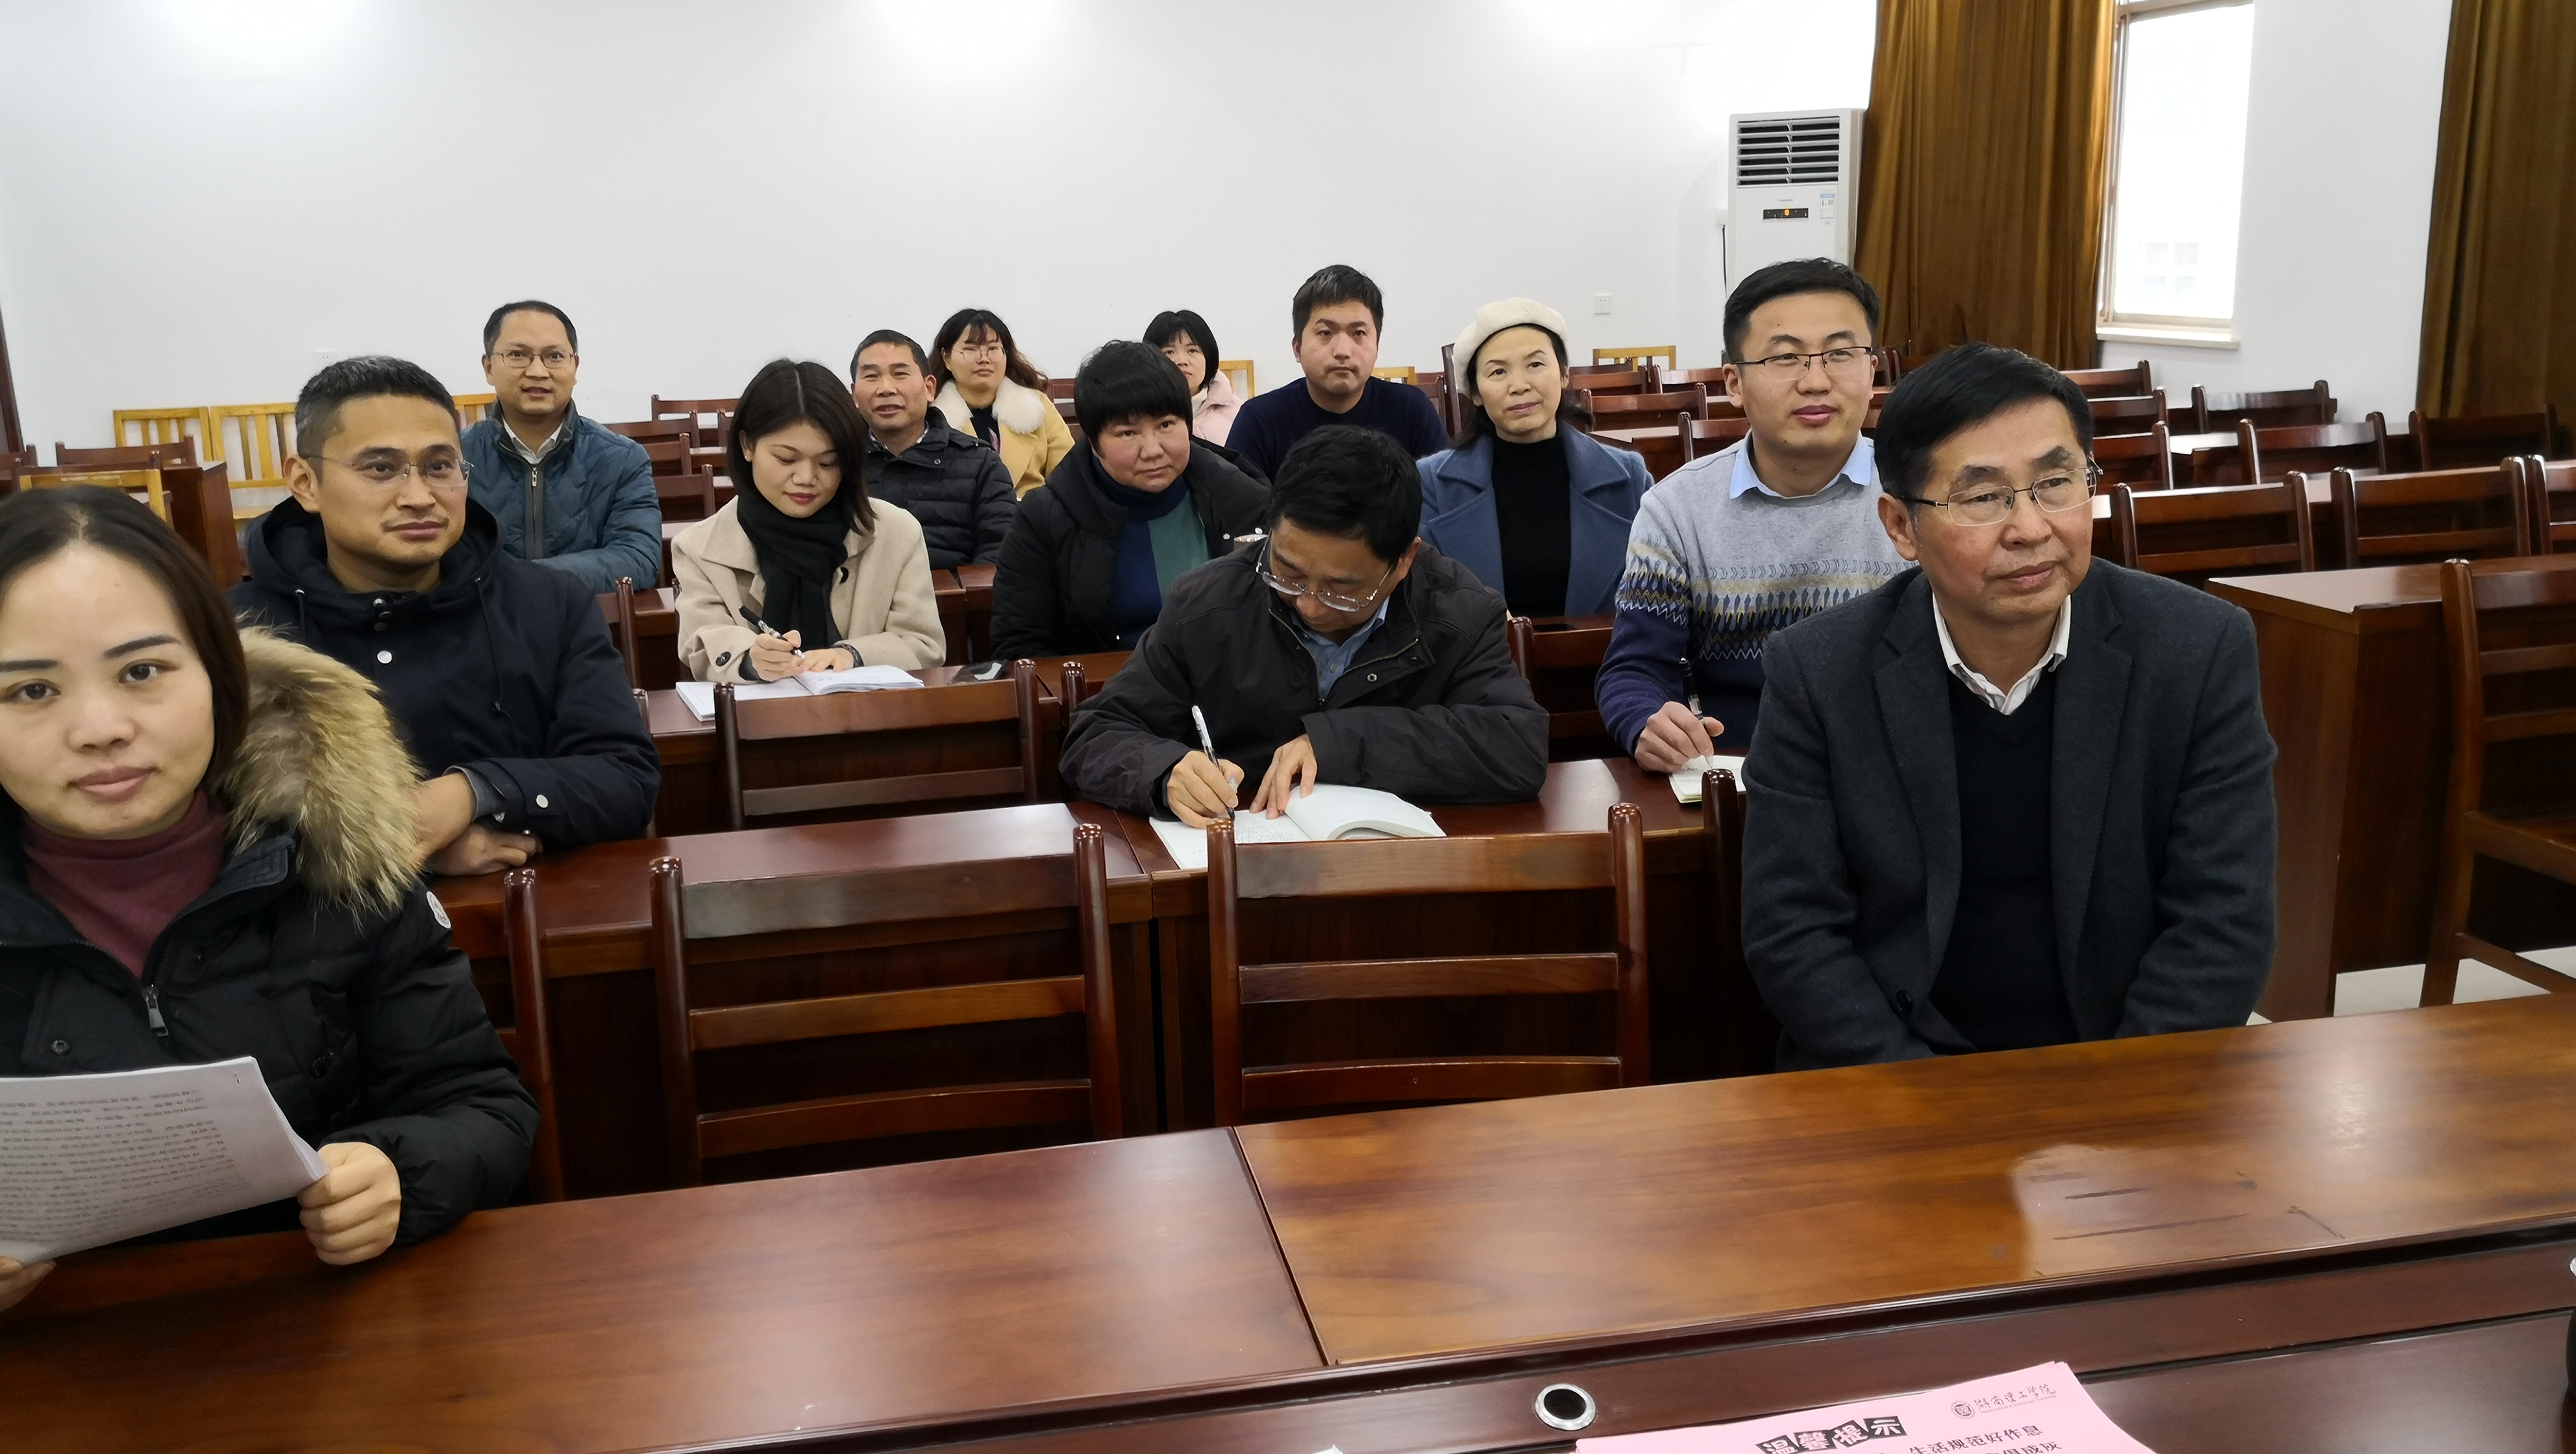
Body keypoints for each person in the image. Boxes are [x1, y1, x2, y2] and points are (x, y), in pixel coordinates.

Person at [0, 487, 537, 1316]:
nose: (100, 728)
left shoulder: (335, 855)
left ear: (220, 675)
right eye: (32, 690)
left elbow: (484, 1108)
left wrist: (398, 1170)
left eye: (142, 671)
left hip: (323, 1327)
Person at [1741, 343, 2277, 1071]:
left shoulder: (2197, 649)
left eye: (2055, 483)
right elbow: (1792, 930)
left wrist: (2118, 1097)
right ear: (1901, 527)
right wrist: (1925, 1098)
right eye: (1983, 497)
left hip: (2122, 1064)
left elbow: (2224, 916)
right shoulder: (1818, 671)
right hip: (1890, 1074)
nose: (2030, 527)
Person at [234, 357, 660, 874]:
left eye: (439, 467)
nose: (420, 498)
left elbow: (625, 780)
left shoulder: (549, 604)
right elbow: (203, 831)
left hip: (529, 908)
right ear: (305, 482)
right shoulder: (237, 635)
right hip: (323, 924)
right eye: (380, 468)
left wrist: (475, 792)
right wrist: (404, 850)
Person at [1061, 425, 1546, 824]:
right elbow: (1096, 733)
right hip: (1245, 864)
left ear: (1404, 560)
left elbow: (1515, 748)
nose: (1310, 606)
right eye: (1288, 574)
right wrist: (1164, 771)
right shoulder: (1207, 605)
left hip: (1402, 871)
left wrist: (1339, 744)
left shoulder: (1458, 613)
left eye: (1342, 589)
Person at [1594, 258, 1907, 765]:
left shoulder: (1922, 495)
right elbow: (1636, 669)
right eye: (1785, 358)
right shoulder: (1677, 510)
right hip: (1739, 770)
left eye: (1840, 354)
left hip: (1895, 765)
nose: (1816, 381)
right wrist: (1649, 721)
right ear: (1734, 383)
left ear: (1872, 370)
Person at [991, 341, 1270, 659]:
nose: (1152, 450)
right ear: (1093, 442)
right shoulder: (1045, 518)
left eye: (1166, 425)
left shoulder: (1241, 498)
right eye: (1128, 433)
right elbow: (1020, 646)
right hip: (1104, 686)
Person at [671, 359, 943, 681]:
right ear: (747, 446)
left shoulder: (896, 533)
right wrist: (751, 659)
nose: (806, 478)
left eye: (828, 463)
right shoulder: (699, 548)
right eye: (787, 459)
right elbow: (701, 645)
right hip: (756, 711)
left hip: (868, 710)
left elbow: (924, 645)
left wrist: (853, 655)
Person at [1417, 298, 1653, 618]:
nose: (1519, 385)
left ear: (1564, 374)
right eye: (1498, 371)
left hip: (1607, 651)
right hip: (1477, 652)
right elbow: (1426, 602)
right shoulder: (1431, 484)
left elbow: (1655, 596)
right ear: (1476, 393)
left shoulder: (1629, 478)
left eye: (1535, 365)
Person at [459, 299, 661, 593]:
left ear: (575, 366)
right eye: (518, 355)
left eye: (554, 356)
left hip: (586, 618)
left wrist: (519, 579)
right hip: (480, 619)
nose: (538, 371)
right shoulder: (454, 459)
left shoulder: (623, 459)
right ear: (489, 367)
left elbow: (638, 559)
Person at [1225, 265, 1449, 479]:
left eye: (1358, 333)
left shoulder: (1411, 411)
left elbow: (1445, 496)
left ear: (1377, 346)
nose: (1342, 351)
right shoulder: (1259, 421)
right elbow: (1240, 504)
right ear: (1297, 348)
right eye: (1325, 333)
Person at [850, 329, 1015, 569]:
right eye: (872, 376)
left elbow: (1001, 551)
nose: (886, 389)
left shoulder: (981, 464)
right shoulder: (839, 463)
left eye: (900, 374)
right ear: (855, 395)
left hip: (956, 592)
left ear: (929, 388)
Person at [930, 308, 1073, 498]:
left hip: (1032, 511)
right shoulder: (932, 419)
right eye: (970, 349)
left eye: (993, 349)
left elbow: (1069, 476)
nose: (984, 359)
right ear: (946, 358)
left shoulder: (1037, 406)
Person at [1145, 308, 1243, 446]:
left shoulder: (1239, 413)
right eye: (1169, 352)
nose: (1182, 361)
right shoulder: (1138, 412)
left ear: (1209, 356)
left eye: (1192, 350)